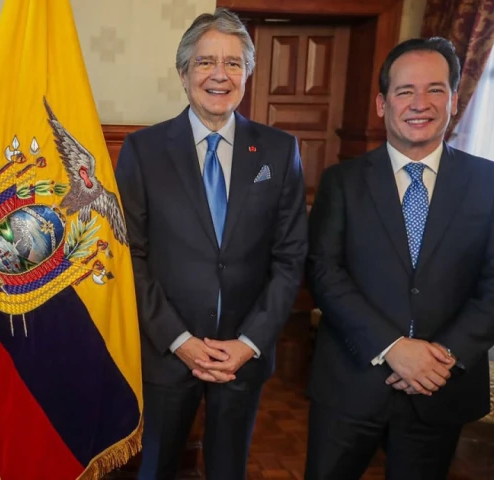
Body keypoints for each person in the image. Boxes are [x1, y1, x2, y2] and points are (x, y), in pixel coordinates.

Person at [115, 8, 307, 479]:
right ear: (183, 73)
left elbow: (290, 257)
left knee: (228, 470)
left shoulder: (280, 150)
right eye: (205, 62)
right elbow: (129, 255)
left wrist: (249, 342)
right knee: (156, 468)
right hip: (167, 352)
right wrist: (179, 340)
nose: (220, 75)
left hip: (244, 354)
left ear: (248, 74)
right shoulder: (143, 151)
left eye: (234, 63)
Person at [305, 37, 494, 480]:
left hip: (439, 386)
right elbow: (324, 272)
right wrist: (393, 348)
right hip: (351, 383)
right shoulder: (342, 181)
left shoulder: (487, 183)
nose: (420, 103)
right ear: (381, 103)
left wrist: (441, 356)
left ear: (453, 98)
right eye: (405, 91)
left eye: (435, 89)